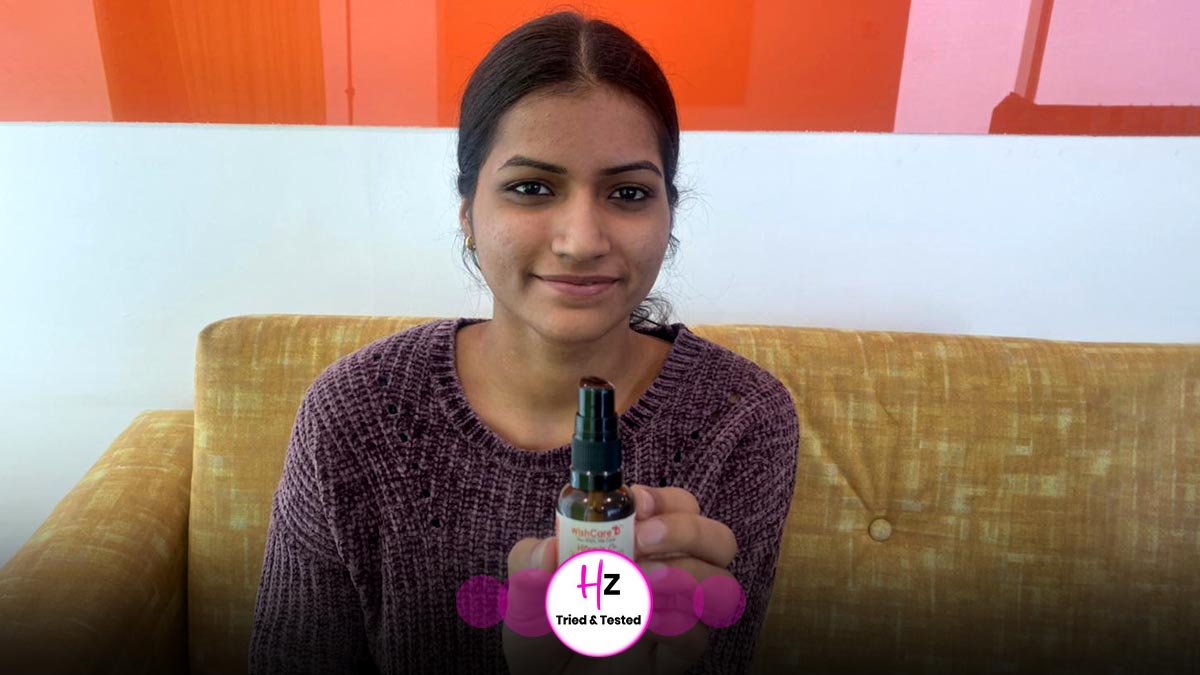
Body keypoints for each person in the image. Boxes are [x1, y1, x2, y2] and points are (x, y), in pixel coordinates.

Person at [249, 11, 798, 675]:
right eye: (532, 188)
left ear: (668, 215)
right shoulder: (355, 411)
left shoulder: (741, 417)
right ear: (468, 213)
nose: (582, 240)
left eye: (628, 192)